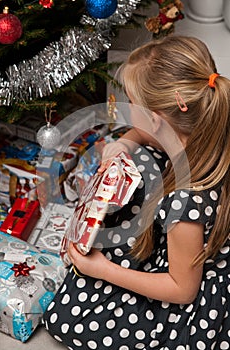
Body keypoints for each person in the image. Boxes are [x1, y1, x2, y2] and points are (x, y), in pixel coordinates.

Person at [43, 35, 230, 349]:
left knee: (66, 318)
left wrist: (103, 270)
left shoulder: (185, 203)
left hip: (190, 289)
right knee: (138, 158)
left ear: (156, 121)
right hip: (184, 242)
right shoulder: (206, 126)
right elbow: (146, 134)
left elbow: (182, 290)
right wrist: (122, 143)